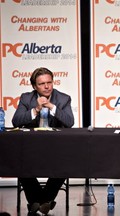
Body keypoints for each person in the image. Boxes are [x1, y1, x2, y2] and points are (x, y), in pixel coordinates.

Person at [12, 67, 74, 215]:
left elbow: (69, 122)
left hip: (56, 148)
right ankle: (44, 202)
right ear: (34, 86)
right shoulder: (27, 98)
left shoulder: (63, 98)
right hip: (31, 148)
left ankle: (37, 203)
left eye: (49, 82)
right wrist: (36, 109)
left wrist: (52, 107)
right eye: (41, 84)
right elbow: (16, 121)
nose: (46, 86)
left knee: (66, 163)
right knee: (18, 162)